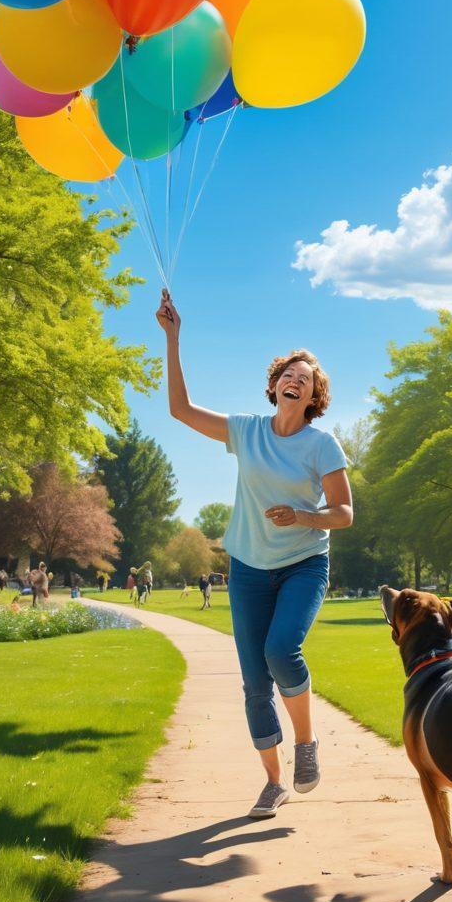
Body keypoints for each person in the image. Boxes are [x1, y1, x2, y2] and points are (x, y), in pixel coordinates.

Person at [156, 289, 353, 820]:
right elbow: (178, 410)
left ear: (314, 397)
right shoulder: (245, 431)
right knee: (253, 682)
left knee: (281, 651)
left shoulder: (322, 445)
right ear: (274, 385)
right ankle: (272, 782)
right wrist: (173, 338)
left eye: (305, 378)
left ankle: (306, 745)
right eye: (288, 373)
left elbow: (343, 514)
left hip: (303, 564)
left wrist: (303, 516)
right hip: (246, 567)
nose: (295, 380)